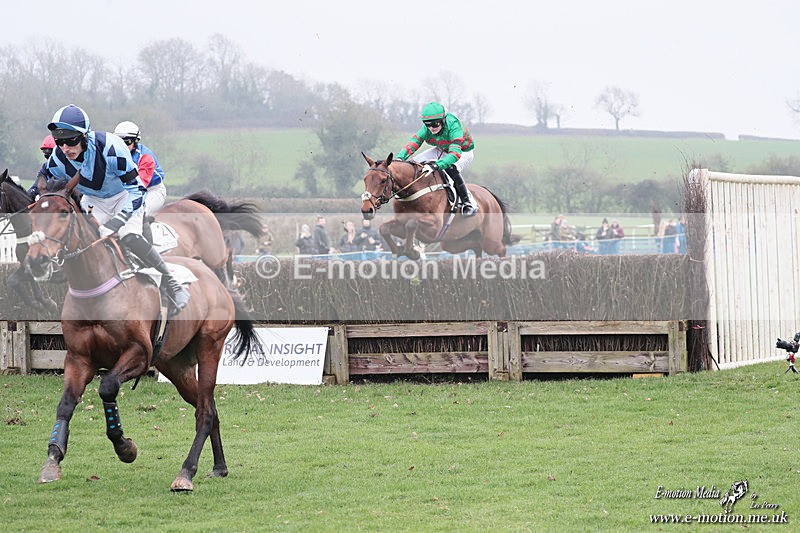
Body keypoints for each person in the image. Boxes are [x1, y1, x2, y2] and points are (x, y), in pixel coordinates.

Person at [42, 104, 189, 314]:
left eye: (71, 140)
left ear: (84, 136)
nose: (65, 147)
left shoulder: (111, 148)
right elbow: (43, 183)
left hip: (125, 195)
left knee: (128, 234)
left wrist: (117, 221)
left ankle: (172, 284)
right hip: (95, 199)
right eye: (59, 141)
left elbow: (138, 190)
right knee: (79, 235)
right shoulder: (57, 157)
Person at [395, 102, 478, 216]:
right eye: (428, 124)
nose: (431, 128)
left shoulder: (454, 126)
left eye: (435, 124)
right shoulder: (427, 129)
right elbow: (414, 142)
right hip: (442, 149)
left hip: (463, 152)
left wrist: (436, 165)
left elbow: (455, 154)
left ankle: (468, 203)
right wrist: (400, 158)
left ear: (443, 120)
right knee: (414, 163)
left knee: (451, 168)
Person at [113, 121, 167, 215]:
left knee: (138, 211)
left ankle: (147, 229)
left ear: (135, 142)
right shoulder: (112, 154)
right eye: (119, 142)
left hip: (152, 190)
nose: (122, 146)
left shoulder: (145, 157)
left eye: (127, 142)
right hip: (128, 191)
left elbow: (139, 186)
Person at [27, 135, 58, 200]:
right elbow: (36, 186)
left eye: (50, 152)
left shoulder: (67, 166)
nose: (48, 156)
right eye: (45, 152)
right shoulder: (45, 167)